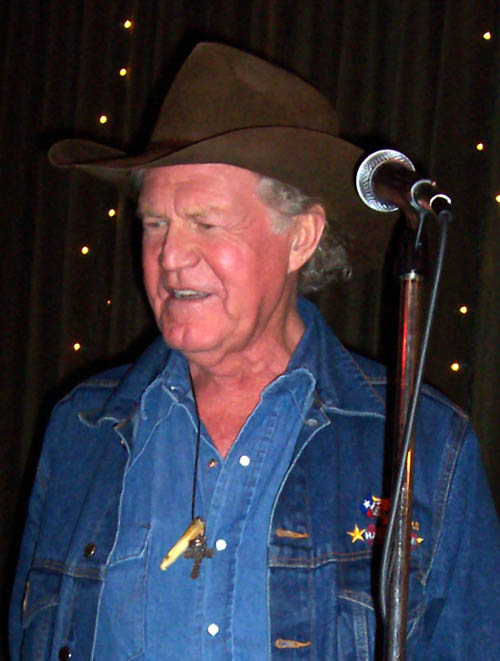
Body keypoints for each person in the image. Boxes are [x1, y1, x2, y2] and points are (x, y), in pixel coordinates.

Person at [9, 43, 500, 660]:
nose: (170, 257)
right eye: (154, 222)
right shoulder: (81, 429)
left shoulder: (421, 445)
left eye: (206, 223)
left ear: (300, 237)